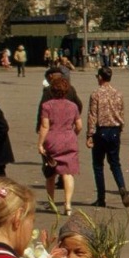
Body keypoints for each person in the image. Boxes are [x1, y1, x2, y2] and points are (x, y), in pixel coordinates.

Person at [37, 74, 82, 214]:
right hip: (69, 139)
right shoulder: (73, 106)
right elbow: (79, 125)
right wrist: (73, 134)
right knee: (68, 173)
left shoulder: (47, 106)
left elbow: (44, 127)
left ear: (52, 90)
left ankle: (51, 202)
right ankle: (67, 204)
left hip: (52, 140)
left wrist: (40, 143)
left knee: (50, 174)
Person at [86, 67, 129, 208]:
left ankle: (101, 198)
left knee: (98, 165)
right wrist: (120, 129)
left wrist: (89, 135)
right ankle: (122, 186)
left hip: (101, 131)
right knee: (115, 163)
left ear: (100, 77)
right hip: (115, 130)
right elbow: (121, 113)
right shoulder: (118, 93)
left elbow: (92, 115)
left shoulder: (96, 94)